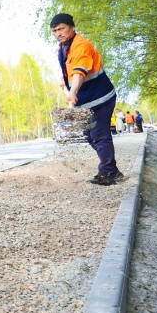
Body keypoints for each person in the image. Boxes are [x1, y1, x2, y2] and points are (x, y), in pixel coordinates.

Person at [50, 13, 122, 185]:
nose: (58, 33)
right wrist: (65, 82)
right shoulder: (64, 47)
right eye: (54, 31)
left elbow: (80, 72)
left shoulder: (81, 45)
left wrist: (73, 91)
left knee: (99, 134)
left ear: (72, 27)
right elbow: (70, 70)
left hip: (101, 98)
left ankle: (109, 172)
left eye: (61, 29)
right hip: (86, 102)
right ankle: (110, 167)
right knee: (88, 134)